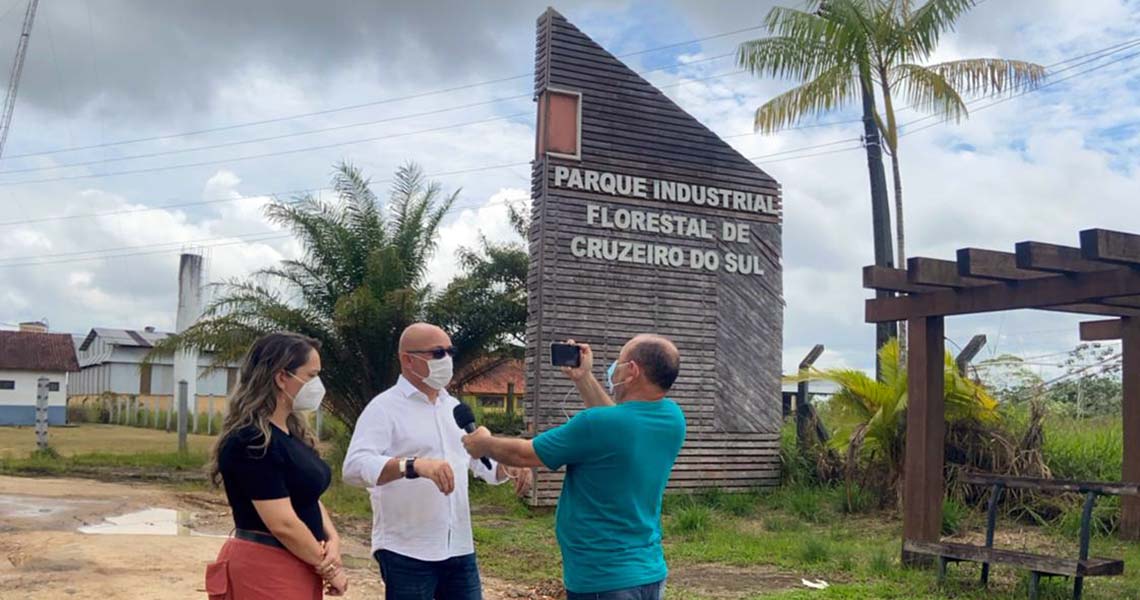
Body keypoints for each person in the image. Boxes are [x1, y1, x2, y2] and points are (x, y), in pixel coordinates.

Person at [462, 334, 686, 600]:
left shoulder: (596, 424)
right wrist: (584, 378)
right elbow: (614, 421)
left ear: (633, 371)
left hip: (601, 577)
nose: (614, 367)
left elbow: (525, 455)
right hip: (648, 572)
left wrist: (483, 444)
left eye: (620, 360)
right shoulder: (673, 418)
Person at [342, 322, 534, 600]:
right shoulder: (383, 408)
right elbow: (354, 468)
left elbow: (485, 468)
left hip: (459, 548)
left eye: (450, 351)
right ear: (408, 360)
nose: (448, 360)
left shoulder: (454, 409)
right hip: (407, 550)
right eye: (438, 353)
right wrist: (413, 466)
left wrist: (508, 464)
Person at [206, 332, 347, 599]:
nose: (318, 385)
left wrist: (333, 542)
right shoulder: (252, 441)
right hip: (265, 567)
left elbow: (307, 495)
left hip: (299, 562)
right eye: (311, 375)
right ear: (282, 377)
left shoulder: (292, 435)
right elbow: (282, 522)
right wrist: (329, 569)